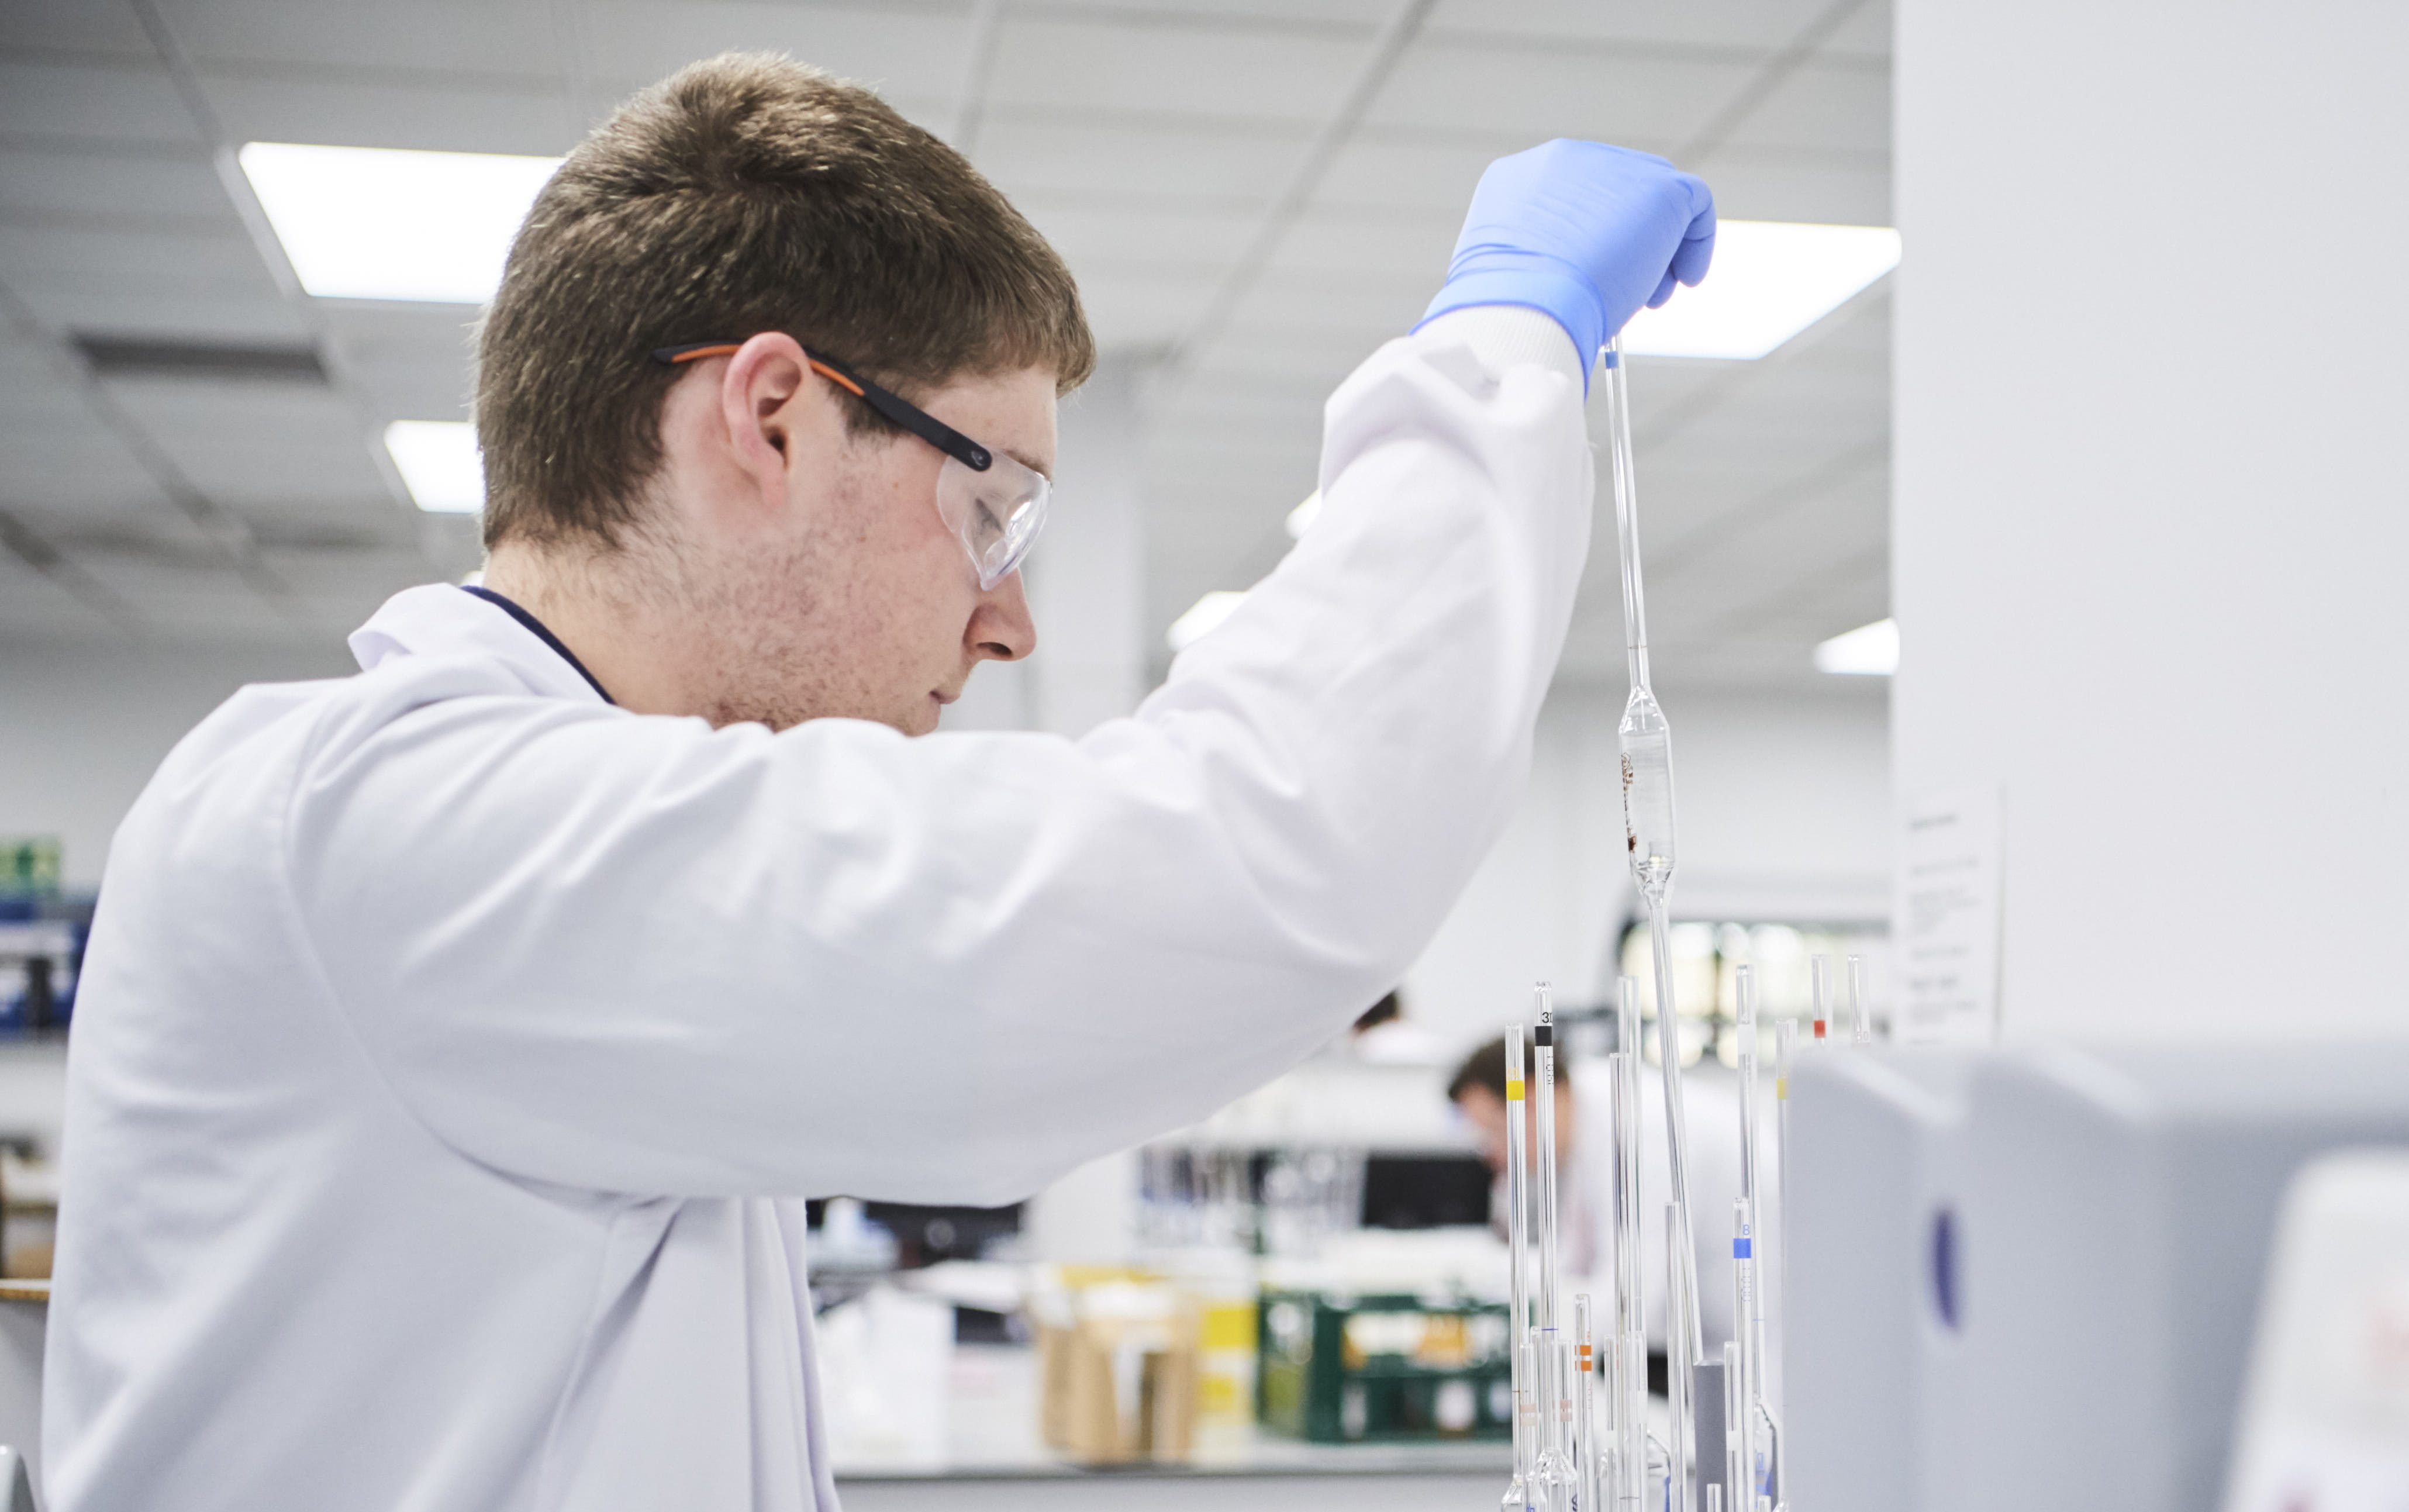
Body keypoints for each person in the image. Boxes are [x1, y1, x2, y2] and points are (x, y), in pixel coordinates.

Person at [43, 53, 1713, 1512]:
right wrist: (1502, 344)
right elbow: (1248, 855)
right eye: (991, 512)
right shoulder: (391, 820)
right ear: (772, 418)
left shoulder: (515, 826)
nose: (1010, 620)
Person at [1446, 1026, 1761, 1375]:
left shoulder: (1634, 1127)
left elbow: (1634, 1299)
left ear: (1531, 1101)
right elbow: (1573, 1266)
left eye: (1491, 1131)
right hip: (1711, 1345)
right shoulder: (1586, 1117)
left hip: (1753, 1341)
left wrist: (1539, 1337)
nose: (1490, 1154)